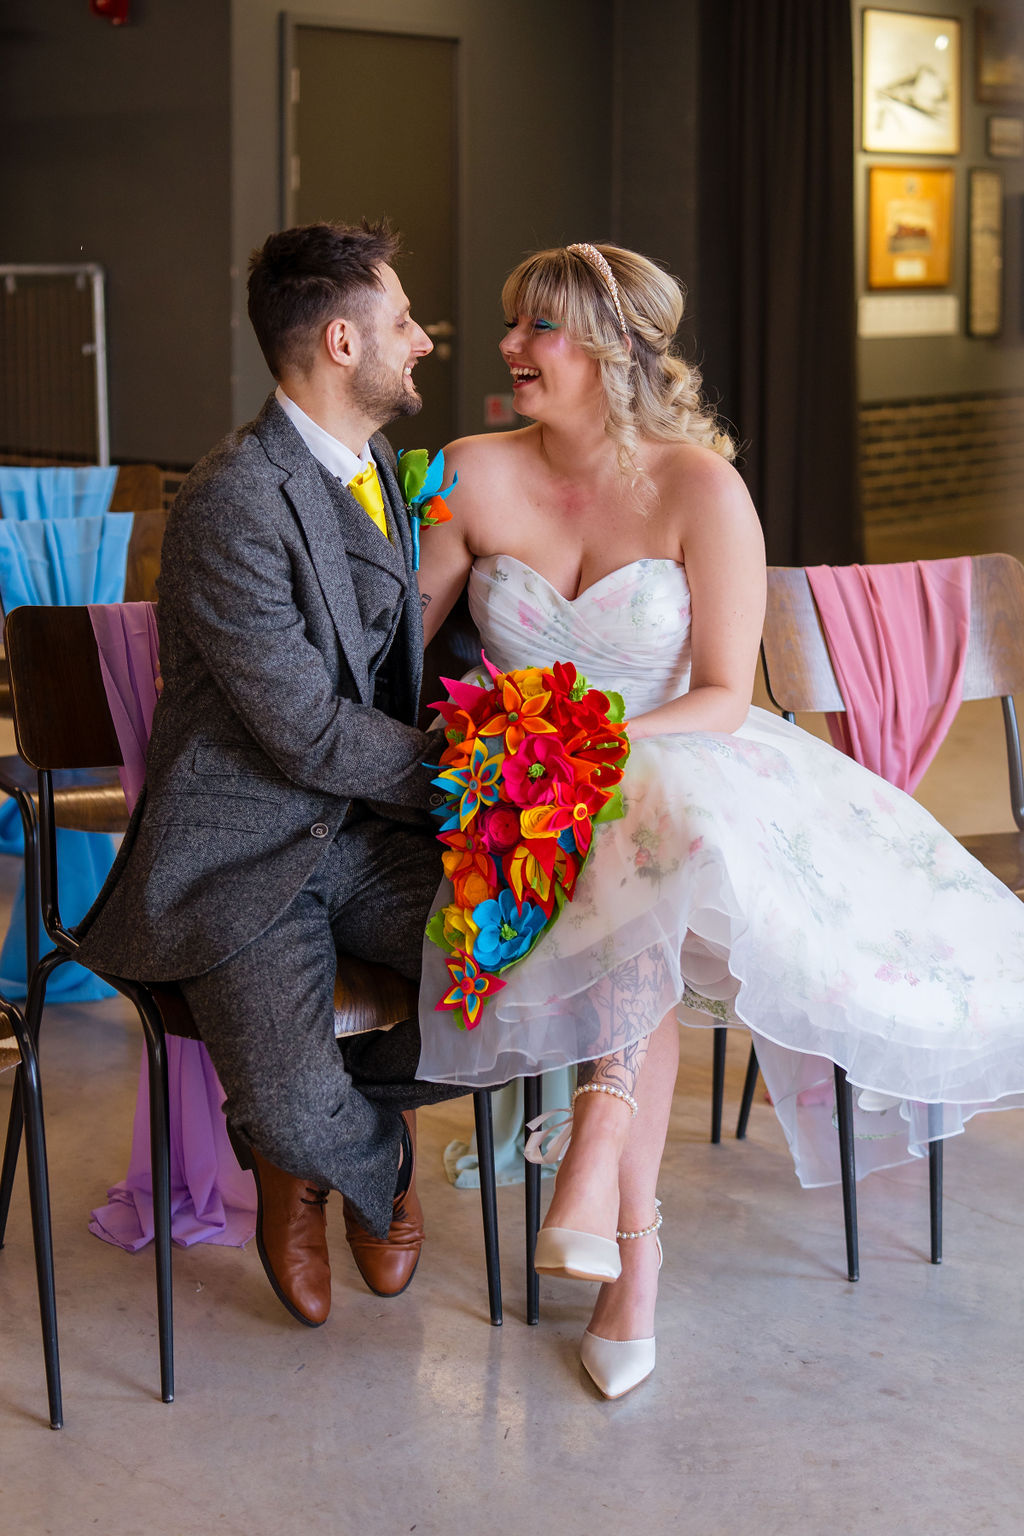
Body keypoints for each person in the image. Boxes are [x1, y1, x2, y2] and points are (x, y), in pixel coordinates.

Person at [412, 241, 1024, 1399]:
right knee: (625, 841)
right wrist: (500, 748)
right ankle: (622, 1232)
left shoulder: (700, 487)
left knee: (656, 831)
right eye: (512, 325)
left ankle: (606, 1171)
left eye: (535, 329)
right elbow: (398, 652)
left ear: (608, 349)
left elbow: (722, 695)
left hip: (677, 760)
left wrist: (587, 748)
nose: (507, 349)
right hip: (516, 789)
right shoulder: (470, 472)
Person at [77, 220, 465, 1327]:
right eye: (402, 323)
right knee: (294, 1110)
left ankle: (316, 1134)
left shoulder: (377, 468)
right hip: (246, 852)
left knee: (533, 971)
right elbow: (300, 731)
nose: (423, 342)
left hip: (361, 835)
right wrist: (469, 777)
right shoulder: (229, 500)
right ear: (342, 343)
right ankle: (340, 1159)